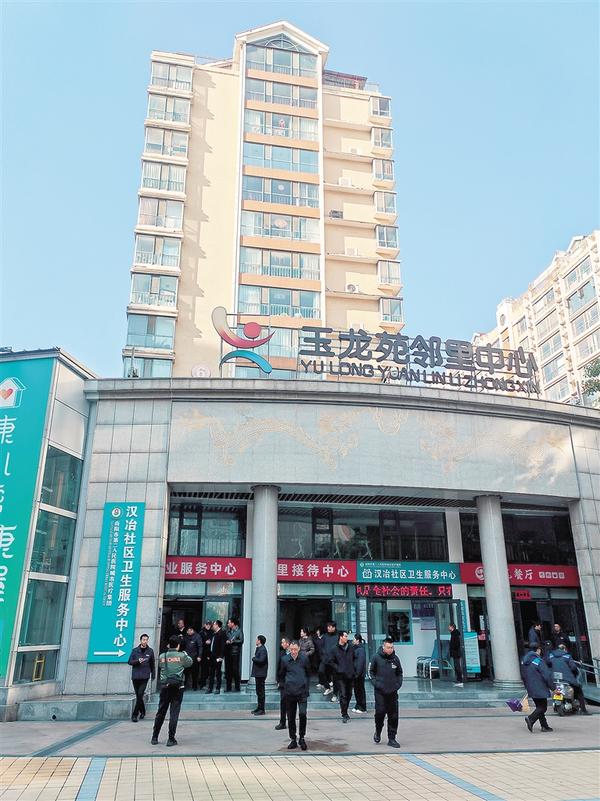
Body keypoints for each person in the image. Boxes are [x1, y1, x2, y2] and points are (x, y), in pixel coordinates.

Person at [151, 635, 192, 747]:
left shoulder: (162, 656)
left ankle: (155, 737)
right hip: (178, 687)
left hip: (165, 687)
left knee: (161, 712)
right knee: (174, 713)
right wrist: (185, 654)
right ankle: (171, 738)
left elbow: (160, 666)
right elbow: (190, 663)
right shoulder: (182, 656)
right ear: (178, 645)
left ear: (169, 645)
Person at [370, 637, 403, 748]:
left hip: (392, 691)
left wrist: (398, 684)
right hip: (380, 692)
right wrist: (376, 684)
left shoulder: (395, 659)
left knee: (393, 715)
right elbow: (370, 672)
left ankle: (392, 738)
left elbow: (400, 673)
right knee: (380, 713)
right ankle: (378, 731)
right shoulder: (376, 657)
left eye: (392, 647)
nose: (390, 649)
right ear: (383, 647)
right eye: (388, 647)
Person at [280, 640, 311, 751]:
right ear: (289, 649)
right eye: (291, 649)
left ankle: (302, 737)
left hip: (302, 692)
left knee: (303, 714)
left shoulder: (304, 659)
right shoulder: (284, 660)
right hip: (289, 692)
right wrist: (284, 688)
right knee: (291, 716)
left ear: (299, 649)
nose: (293, 652)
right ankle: (293, 738)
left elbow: (308, 673)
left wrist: (306, 687)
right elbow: (281, 675)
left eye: (295, 649)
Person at [546, 644, 590, 715]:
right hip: (566, 678)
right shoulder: (567, 656)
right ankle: (583, 710)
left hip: (554, 679)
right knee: (579, 691)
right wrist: (574, 673)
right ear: (564, 649)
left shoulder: (551, 656)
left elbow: (547, 664)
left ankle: (558, 705)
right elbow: (573, 667)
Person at [521, 644, 555, 733]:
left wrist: (527, 686)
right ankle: (530, 719)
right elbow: (547, 676)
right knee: (543, 708)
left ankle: (544, 726)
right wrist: (553, 688)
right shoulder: (538, 661)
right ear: (538, 650)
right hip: (540, 687)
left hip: (530, 687)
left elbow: (523, 676)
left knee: (539, 707)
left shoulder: (525, 661)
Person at [128, 633, 155, 722]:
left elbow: (152, 664)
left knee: (140, 694)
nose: (145, 641)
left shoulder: (150, 651)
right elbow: (129, 662)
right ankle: (143, 711)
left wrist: (153, 674)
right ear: (140, 640)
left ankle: (135, 715)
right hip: (136, 676)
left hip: (145, 676)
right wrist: (137, 661)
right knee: (139, 696)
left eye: (146, 640)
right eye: (143, 639)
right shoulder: (135, 650)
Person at [331, 631, 354, 723]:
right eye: (345, 636)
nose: (347, 638)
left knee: (349, 694)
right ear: (340, 637)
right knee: (343, 695)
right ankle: (344, 714)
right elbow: (331, 661)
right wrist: (338, 668)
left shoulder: (351, 648)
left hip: (350, 675)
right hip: (340, 676)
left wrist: (354, 670)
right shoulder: (334, 649)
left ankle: (345, 710)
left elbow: (354, 659)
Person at [206, 620, 226, 694]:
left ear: (217, 625)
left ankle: (218, 688)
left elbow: (223, 646)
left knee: (218, 673)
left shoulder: (222, 633)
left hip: (218, 656)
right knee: (211, 673)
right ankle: (210, 688)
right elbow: (212, 644)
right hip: (212, 655)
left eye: (214, 624)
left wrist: (221, 656)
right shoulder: (213, 633)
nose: (213, 626)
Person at [225, 617, 244, 692]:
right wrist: (227, 641)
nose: (228, 624)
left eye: (229, 623)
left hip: (235, 652)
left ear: (233, 623)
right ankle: (228, 687)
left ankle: (237, 687)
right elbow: (225, 639)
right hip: (228, 652)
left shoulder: (239, 631)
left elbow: (241, 640)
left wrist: (233, 641)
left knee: (235, 670)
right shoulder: (228, 631)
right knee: (228, 670)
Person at [251, 635, 268, 715]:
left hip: (261, 673)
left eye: (257, 639)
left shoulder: (263, 649)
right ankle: (259, 707)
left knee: (261, 692)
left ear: (260, 641)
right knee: (258, 692)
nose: (256, 641)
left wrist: (254, 658)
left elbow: (261, 660)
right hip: (258, 673)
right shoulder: (259, 648)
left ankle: (262, 709)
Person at [321, 621, 338, 699]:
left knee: (335, 677)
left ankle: (335, 694)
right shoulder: (325, 636)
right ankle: (328, 687)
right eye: (328, 626)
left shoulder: (338, 636)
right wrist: (323, 655)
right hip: (325, 659)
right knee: (321, 671)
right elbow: (322, 647)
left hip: (334, 660)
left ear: (333, 628)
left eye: (330, 627)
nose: (328, 628)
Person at [352, 634, 367, 714]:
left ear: (357, 640)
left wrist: (357, 673)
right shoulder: (356, 648)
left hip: (359, 674)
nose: (353, 641)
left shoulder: (360, 649)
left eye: (354, 639)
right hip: (356, 673)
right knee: (357, 691)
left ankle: (363, 707)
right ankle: (358, 705)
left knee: (360, 690)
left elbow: (360, 663)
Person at [183, 625, 202, 691]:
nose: (188, 632)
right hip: (187, 657)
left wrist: (199, 656)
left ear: (192, 630)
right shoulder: (186, 636)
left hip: (195, 657)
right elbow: (183, 644)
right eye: (187, 631)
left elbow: (200, 647)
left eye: (189, 631)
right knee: (186, 672)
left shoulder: (197, 636)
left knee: (195, 673)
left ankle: (195, 686)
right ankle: (184, 685)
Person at [198, 621, 213, 690]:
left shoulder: (212, 632)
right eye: (207, 624)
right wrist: (205, 642)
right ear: (204, 625)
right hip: (203, 653)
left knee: (208, 670)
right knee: (203, 669)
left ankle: (205, 683)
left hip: (210, 653)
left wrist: (210, 642)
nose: (208, 625)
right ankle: (202, 684)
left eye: (209, 624)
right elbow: (199, 643)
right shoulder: (201, 632)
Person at [449, 623, 463, 687]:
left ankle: (460, 679)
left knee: (457, 666)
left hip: (456, 653)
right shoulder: (454, 633)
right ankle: (458, 678)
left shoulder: (455, 634)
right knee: (456, 665)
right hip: (455, 652)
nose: (448, 628)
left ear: (452, 627)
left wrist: (453, 648)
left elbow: (456, 643)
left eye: (449, 626)